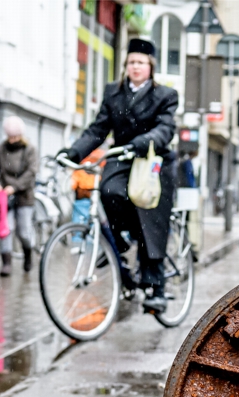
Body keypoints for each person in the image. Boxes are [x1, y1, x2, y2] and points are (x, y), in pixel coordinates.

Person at [58, 38, 177, 313]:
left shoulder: (165, 95)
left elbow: (166, 128)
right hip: (121, 157)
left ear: (151, 66)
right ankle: (120, 239)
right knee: (109, 191)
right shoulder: (114, 92)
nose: (135, 67)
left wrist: (145, 140)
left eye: (141, 63)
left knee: (149, 216)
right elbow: (98, 129)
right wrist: (73, 152)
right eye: (131, 62)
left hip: (151, 160)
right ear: (125, 65)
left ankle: (155, 286)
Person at [0, 116, 40, 275]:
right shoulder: (1, 149)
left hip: (24, 196)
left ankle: (28, 254)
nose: (12, 140)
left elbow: (31, 172)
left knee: (24, 231)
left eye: (15, 136)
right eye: (10, 136)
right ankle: (6, 264)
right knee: (6, 229)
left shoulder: (29, 150)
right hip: (4, 198)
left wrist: (15, 187)